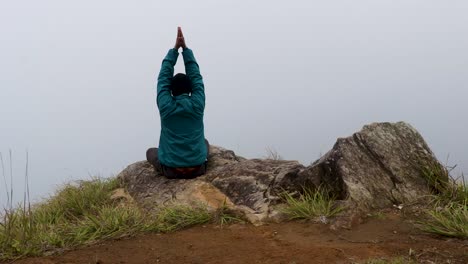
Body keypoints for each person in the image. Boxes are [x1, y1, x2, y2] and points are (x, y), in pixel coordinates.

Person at [146, 27, 209, 179]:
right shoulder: (197, 104)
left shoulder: (166, 106)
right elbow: (196, 78)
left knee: (150, 152)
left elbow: (163, 79)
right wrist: (185, 50)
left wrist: (174, 50)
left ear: (171, 91)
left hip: (171, 170)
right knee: (205, 143)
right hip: (198, 168)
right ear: (190, 89)